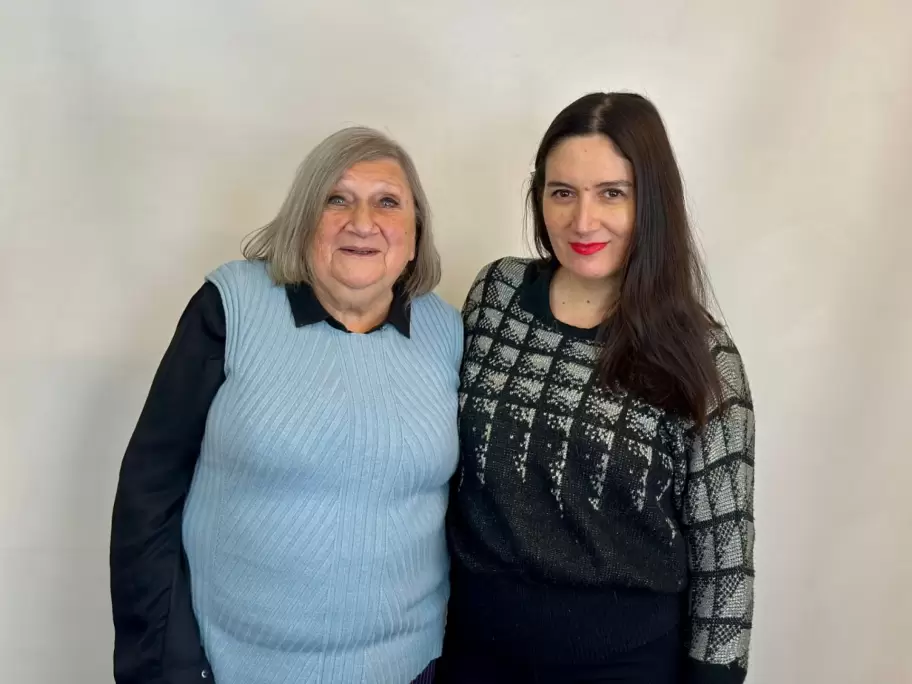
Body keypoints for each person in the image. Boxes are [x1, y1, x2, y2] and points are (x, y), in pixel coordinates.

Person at [110, 127, 463, 684]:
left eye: (387, 202)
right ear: (304, 218)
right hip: (234, 668)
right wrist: (161, 664)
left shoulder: (447, 332)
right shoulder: (232, 306)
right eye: (337, 198)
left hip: (411, 669)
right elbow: (149, 491)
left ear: (415, 230)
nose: (362, 222)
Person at [439, 92, 755, 684]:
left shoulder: (702, 356)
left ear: (652, 202)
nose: (583, 221)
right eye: (563, 193)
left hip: (620, 666)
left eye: (613, 193)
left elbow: (725, 567)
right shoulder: (496, 295)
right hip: (473, 653)